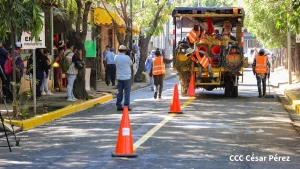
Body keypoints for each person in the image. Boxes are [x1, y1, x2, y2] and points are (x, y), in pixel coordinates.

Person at [114, 45, 133, 111]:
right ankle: (126, 106)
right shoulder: (127, 57)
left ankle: (119, 105)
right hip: (127, 77)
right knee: (127, 92)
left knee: (120, 91)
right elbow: (131, 64)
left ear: (119, 50)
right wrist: (130, 56)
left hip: (119, 77)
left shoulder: (115, 57)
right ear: (125, 51)